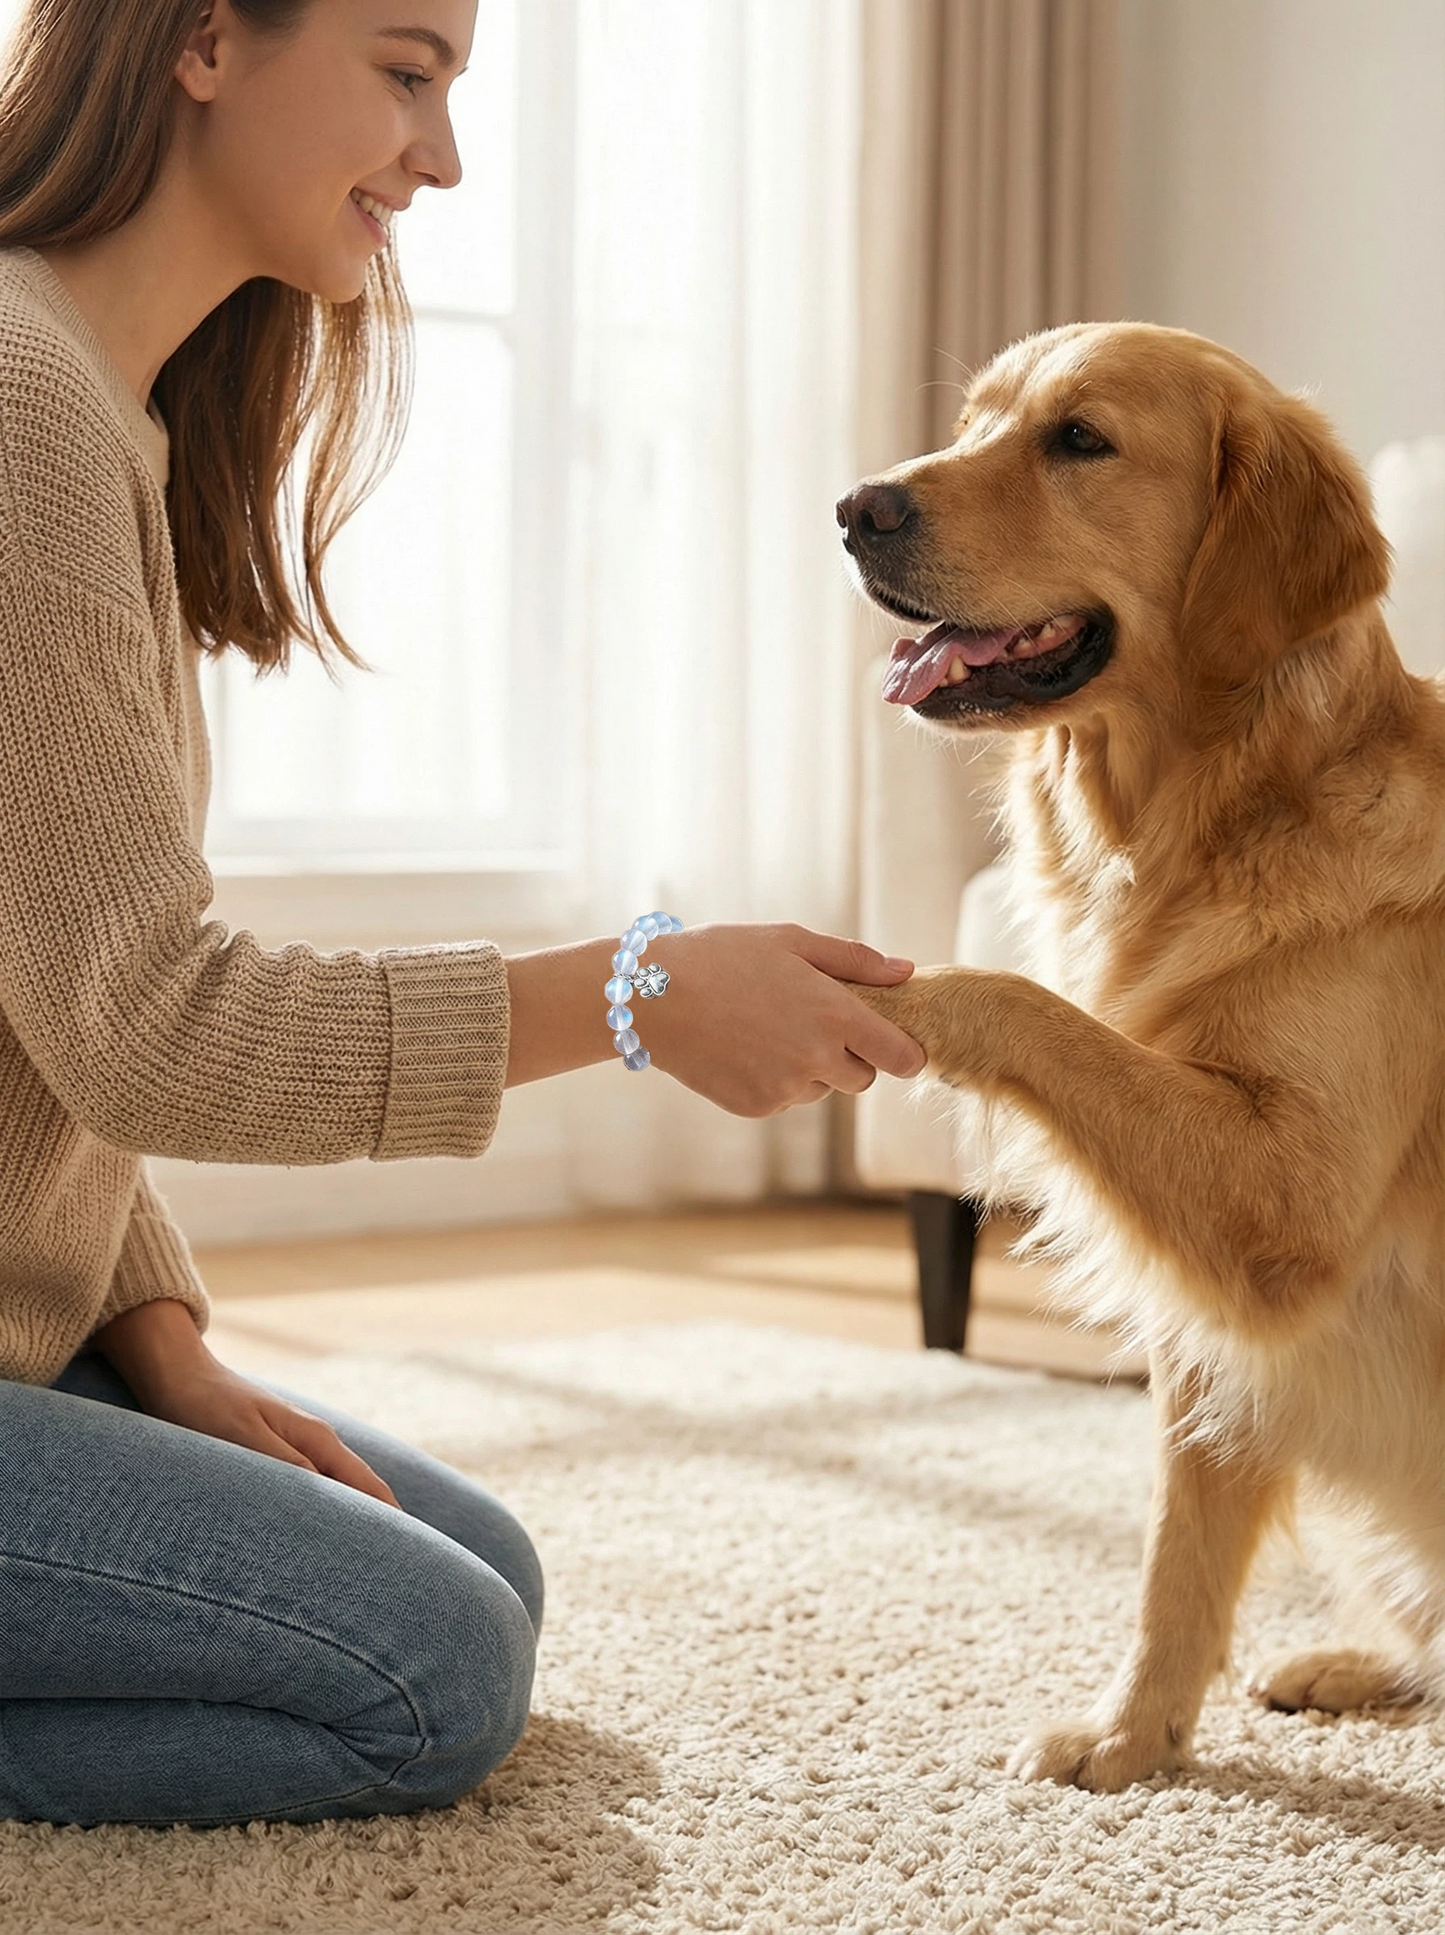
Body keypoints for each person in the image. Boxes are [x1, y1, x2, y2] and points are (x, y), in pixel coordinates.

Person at [0, 0, 924, 1828]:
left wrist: (158, 1332)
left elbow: (45, 1007)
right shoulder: (19, 407)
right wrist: (641, 992)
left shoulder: (105, 401)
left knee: (477, 1558)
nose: (444, 157)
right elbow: (155, 1024)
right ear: (201, 42)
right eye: (408, 75)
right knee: (427, 1677)